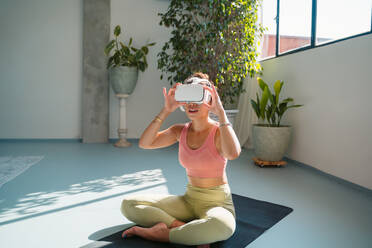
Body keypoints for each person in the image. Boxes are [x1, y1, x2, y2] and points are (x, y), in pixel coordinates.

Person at [120, 72, 241, 247]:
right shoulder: (179, 131)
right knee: (128, 204)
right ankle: (180, 228)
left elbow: (233, 153)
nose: (192, 104)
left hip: (218, 203)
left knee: (223, 226)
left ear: (209, 100)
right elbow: (145, 143)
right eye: (188, 98)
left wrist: (221, 112)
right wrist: (166, 110)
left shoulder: (218, 132)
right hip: (188, 201)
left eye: (197, 98)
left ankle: (162, 235)